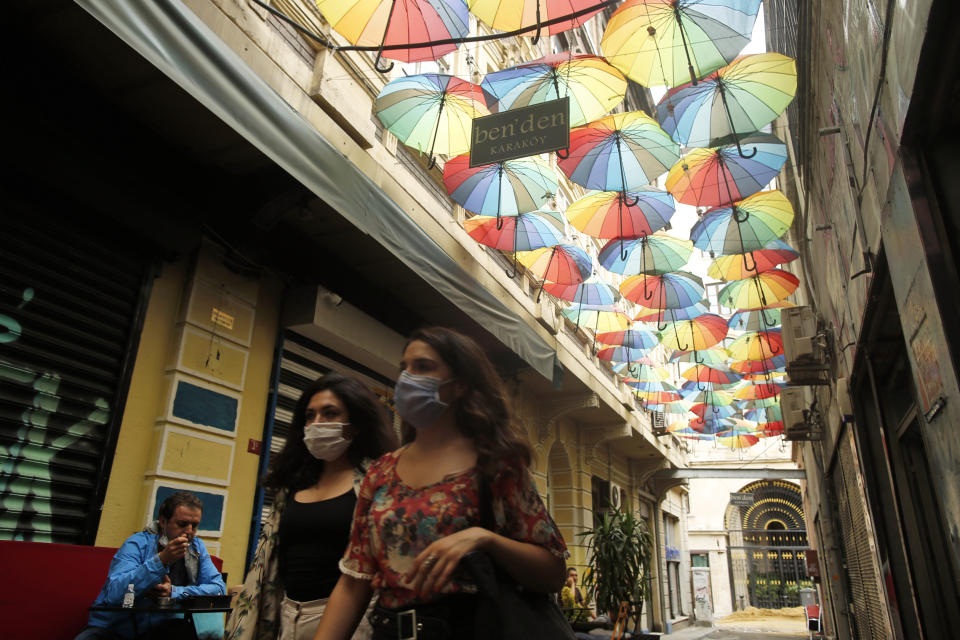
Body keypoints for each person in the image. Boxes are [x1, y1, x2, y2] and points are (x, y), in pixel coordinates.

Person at [313, 326, 568, 640]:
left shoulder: (496, 466)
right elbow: (354, 582)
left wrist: (484, 539)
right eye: (404, 368)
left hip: (469, 628)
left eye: (422, 367)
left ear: (459, 385)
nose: (406, 378)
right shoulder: (380, 473)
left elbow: (553, 572)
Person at [226, 372, 397, 640]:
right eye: (310, 416)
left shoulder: (376, 483)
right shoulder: (291, 485)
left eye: (330, 414)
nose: (317, 424)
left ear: (356, 424)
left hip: (352, 623)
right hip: (286, 616)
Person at [76, 491, 226, 640]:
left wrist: (174, 591)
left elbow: (218, 588)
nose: (188, 532)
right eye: (182, 524)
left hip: (158, 628)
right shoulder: (137, 543)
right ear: (163, 522)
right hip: (115, 627)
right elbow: (115, 593)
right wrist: (161, 561)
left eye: (194, 526)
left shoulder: (196, 548)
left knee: (182, 630)